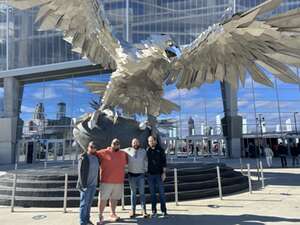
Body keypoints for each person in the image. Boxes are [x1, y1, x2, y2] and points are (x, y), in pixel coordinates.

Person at [96, 139, 127, 225]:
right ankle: (100, 215)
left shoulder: (123, 153)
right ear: (111, 144)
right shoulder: (103, 152)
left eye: (118, 143)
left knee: (114, 198)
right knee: (103, 199)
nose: (116, 145)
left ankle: (112, 213)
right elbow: (93, 154)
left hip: (118, 181)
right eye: (114, 143)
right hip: (106, 181)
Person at [125, 138, 149, 218]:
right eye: (134, 142)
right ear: (132, 144)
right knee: (133, 194)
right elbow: (119, 150)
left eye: (137, 142)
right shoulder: (128, 150)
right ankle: (133, 210)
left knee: (142, 193)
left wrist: (145, 169)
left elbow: (146, 161)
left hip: (141, 175)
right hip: (131, 175)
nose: (135, 144)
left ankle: (144, 210)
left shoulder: (143, 151)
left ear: (139, 143)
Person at [77, 141, 99, 225]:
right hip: (85, 185)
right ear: (88, 147)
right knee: (83, 204)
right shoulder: (83, 157)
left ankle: (87, 219)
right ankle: (82, 222)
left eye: (94, 147)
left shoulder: (96, 157)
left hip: (93, 185)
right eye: (91, 146)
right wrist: (83, 185)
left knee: (89, 204)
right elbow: (80, 171)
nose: (93, 148)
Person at [146, 136, 168, 218]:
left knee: (162, 194)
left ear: (155, 141)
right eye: (149, 141)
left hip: (159, 175)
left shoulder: (160, 150)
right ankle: (154, 211)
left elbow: (164, 162)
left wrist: (164, 173)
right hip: (150, 175)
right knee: (152, 194)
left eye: (152, 141)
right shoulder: (147, 150)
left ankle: (164, 211)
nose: (150, 142)